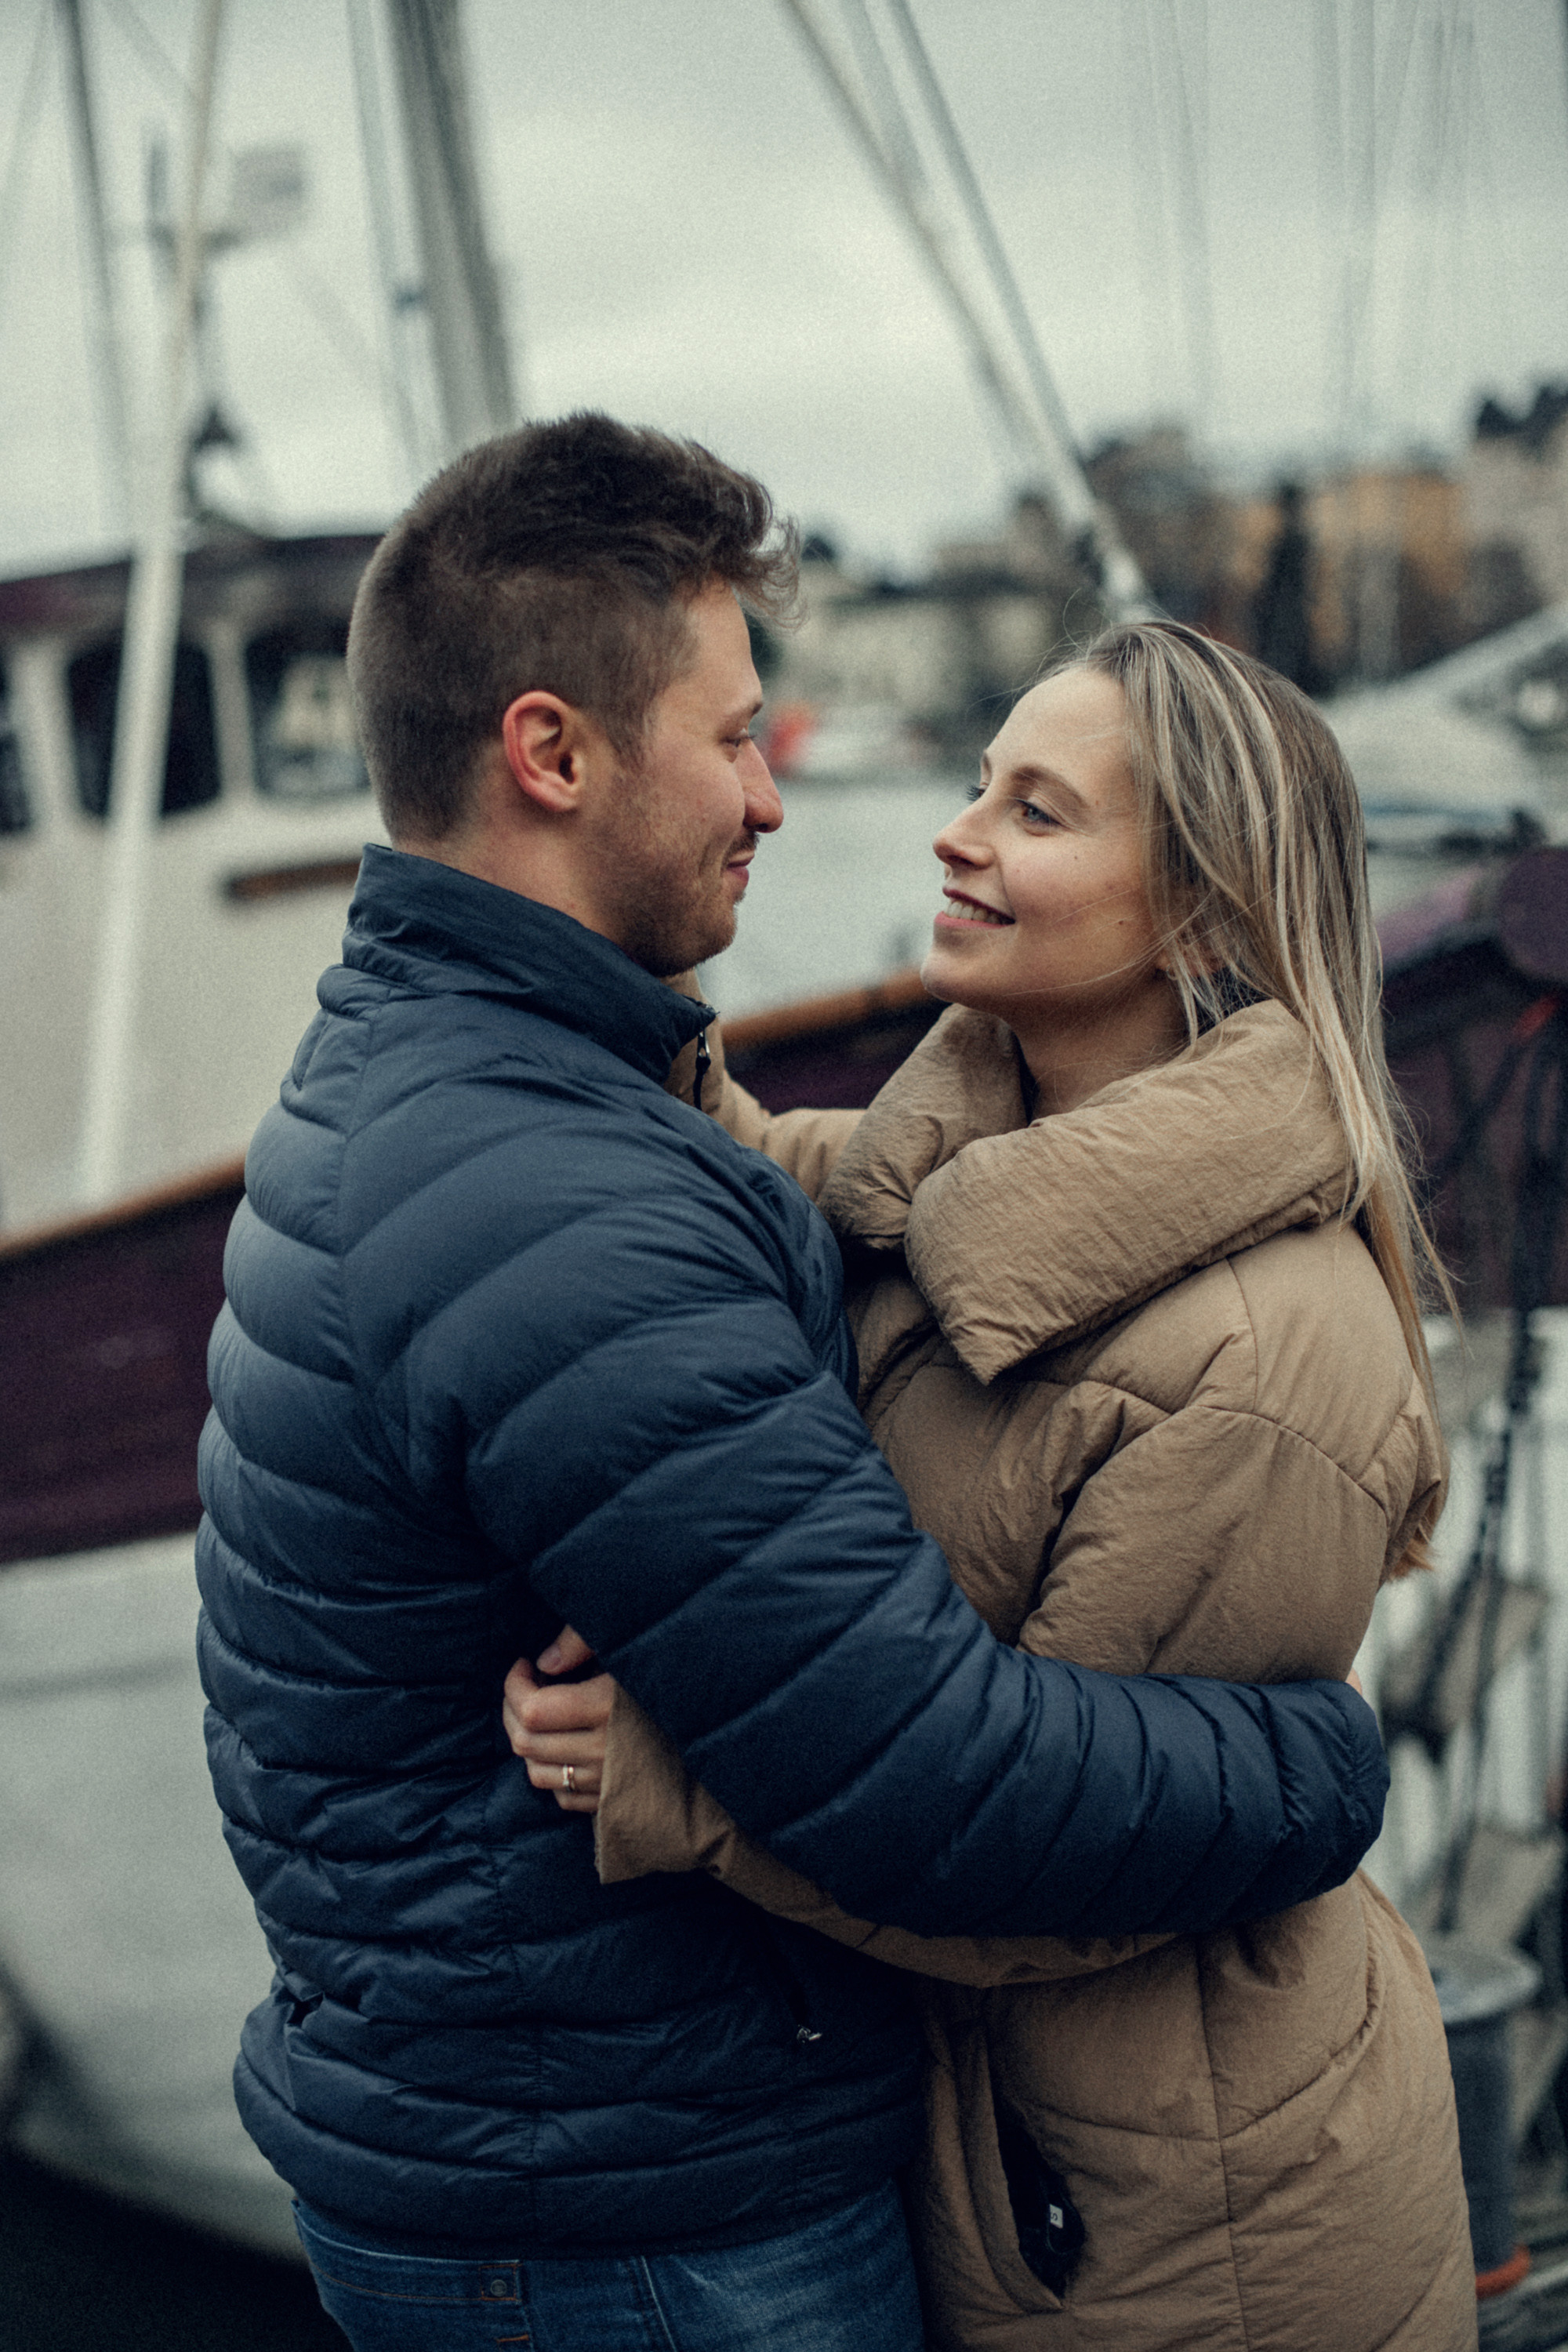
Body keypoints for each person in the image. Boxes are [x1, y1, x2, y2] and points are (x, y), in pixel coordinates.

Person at [197, 416, 1392, 2352]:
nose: (781, 787)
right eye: (736, 731)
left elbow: (840, 1203)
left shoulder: (463, 1093)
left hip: (571, 2153)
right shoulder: (558, 1197)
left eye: (1037, 805)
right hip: (636, 2215)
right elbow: (925, 1785)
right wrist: (1333, 1765)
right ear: (552, 752)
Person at [520, 619, 1476, 2350]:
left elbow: (1061, 1848)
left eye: (1034, 811)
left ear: (1195, 914)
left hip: (1194, 2231)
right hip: (1023, 2168)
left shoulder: (1265, 1370)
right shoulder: (969, 1175)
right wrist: (578, 947)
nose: (956, 832)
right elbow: (753, 1158)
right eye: (977, 784)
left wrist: (677, 1783)